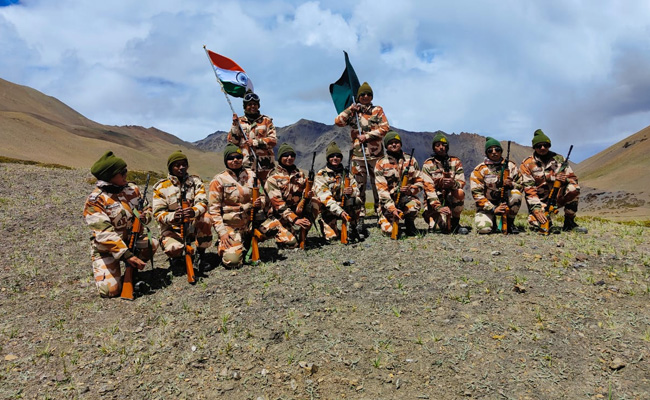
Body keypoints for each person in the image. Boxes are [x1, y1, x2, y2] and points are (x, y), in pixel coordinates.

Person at [83, 151, 157, 298]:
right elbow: (104, 233)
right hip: (107, 249)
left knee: (152, 243)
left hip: (132, 241)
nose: (126, 175)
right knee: (110, 291)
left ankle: (132, 271)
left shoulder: (132, 190)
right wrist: (126, 255)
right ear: (109, 176)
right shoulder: (95, 201)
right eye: (121, 173)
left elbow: (148, 210)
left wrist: (144, 217)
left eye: (125, 171)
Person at [334, 82, 390, 220]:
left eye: (368, 94)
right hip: (358, 155)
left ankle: (380, 210)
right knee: (359, 185)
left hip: (376, 155)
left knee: (378, 184)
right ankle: (360, 212)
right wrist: (350, 109)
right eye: (363, 94)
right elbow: (338, 122)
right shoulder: (353, 112)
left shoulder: (377, 110)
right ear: (358, 96)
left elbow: (385, 128)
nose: (365, 96)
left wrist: (368, 136)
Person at [152, 150, 213, 273]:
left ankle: (201, 254)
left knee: (206, 218)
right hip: (172, 228)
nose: (181, 168)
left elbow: (203, 202)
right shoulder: (161, 187)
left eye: (184, 164)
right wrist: (173, 216)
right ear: (170, 167)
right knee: (173, 248)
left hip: (192, 224)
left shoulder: (196, 182)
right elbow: (158, 213)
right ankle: (177, 258)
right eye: (177, 165)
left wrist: (194, 211)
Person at [208, 144, 266, 268]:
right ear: (226, 160)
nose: (235, 160)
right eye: (231, 158)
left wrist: (260, 202)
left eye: (238, 157)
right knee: (233, 262)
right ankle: (226, 244)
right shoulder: (218, 180)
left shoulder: (252, 176)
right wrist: (222, 233)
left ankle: (248, 240)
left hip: (250, 222)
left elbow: (263, 196)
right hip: (231, 225)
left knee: (274, 227)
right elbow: (214, 210)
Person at [519, 129, 587, 233]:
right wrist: (536, 209)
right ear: (534, 147)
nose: (543, 148)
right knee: (538, 223)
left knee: (574, 188)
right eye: (539, 146)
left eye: (545, 145)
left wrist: (565, 179)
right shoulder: (527, 163)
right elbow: (529, 189)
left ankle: (569, 223)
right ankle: (546, 222)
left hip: (557, 197)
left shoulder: (560, 159)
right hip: (539, 201)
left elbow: (573, 179)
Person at [375, 131, 434, 237]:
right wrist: (392, 208)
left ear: (401, 144)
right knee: (390, 232)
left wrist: (410, 190)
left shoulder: (411, 160)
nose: (394, 144)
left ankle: (409, 223)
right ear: (386, 146)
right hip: (388, 203)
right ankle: (385, 219)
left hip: (406, 199)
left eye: (396, 142)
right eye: (390, 143)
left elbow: (420, 182)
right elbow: (382, 190)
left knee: (414, 205)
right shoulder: (380, 163)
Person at [263, 143, 317, 247]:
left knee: (315, 202)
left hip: (295, 211)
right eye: (286, 155)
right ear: (280, 157)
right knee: (292, 244)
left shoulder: (300, 174)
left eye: (292, 155)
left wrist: (308, 196)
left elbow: (307, 191)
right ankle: (278, 230)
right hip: (279, 215)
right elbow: (278, 204)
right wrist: (295, 219)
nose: (289, 158)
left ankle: (303, 234)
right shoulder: (273, 178)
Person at [470, 137, 523, 234]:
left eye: (497, 149)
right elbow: (477, 194)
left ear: (501, 151)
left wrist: (511, 184)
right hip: (486, 206)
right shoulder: (479, 170)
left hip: (506, 202)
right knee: (483, 229)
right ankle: (492, 221)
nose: (494, 152)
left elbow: (521, 186)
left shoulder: (511, 166)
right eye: (490, 150)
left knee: (516, 194)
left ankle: (509, 223)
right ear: (486, 153)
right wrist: (493, 209)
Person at [313, 141, 364, 242]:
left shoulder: (347, 174)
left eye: (337, 156)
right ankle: (329, 226)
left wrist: (352, 191)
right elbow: (325, 198)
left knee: (357, 200)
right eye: (332, 156)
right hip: (329, 209)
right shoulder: (321, 175)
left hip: (345, 205)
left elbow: (357, 191)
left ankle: (355, 226)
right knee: (332, 238)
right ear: (328, 158)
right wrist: (340, 212)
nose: (335, 158)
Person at [421, 132, 468, 234]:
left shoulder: (455, 162)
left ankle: (455, 223)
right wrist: (438, 207)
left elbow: (461, 182)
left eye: (444, 145)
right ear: (434, 148)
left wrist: (453, 183)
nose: (441, 147)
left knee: (460, 192)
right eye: (437, 145)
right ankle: (432, 216)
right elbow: (428, 188)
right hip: (435, 201)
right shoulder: (427, 165)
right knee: (438, 229)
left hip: (451, 197)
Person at [227, 91, 277, 185]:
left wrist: (255, 142)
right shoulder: (239, 122)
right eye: (249, 104)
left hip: (264, 165)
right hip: (246, 165)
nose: (252, 106)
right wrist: (235, 125)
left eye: (255, 104)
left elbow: (273, 140)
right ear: (245, 106)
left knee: (267, 190)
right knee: (248, 190)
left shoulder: (266, 121)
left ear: (258, 106)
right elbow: (232, 141)